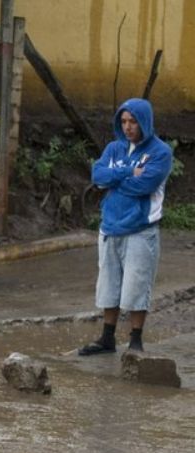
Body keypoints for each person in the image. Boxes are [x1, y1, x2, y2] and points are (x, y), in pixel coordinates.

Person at [79, 98, 172, 356]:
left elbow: (144, 187)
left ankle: (135, 341)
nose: (128, 127)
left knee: (136, 285)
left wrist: (115, 179)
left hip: (141, 229)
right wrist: (127, 173)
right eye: (124, 121)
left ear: (145, 121)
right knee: (109, 284)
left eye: (133, 121)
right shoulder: (114, 148)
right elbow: (97, 176)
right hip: (110, 227)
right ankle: (107, 338)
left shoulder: (160, 152)